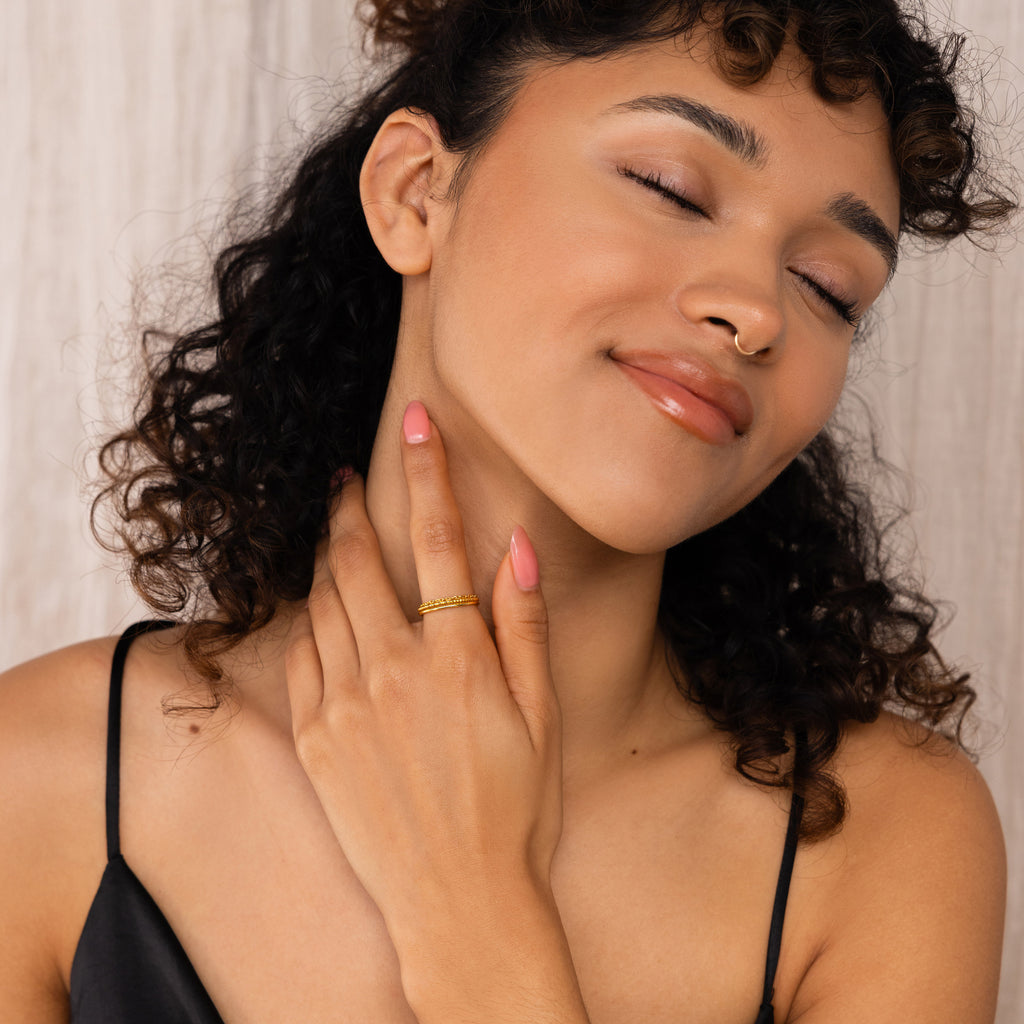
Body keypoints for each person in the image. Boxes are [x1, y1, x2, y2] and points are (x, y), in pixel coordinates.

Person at [0, 0, 1017, 1020]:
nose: (755, 309)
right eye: (669, 186)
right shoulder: (39, 778)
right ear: (415, 192)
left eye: (827, 287)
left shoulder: (884, 842)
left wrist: (478, 917)